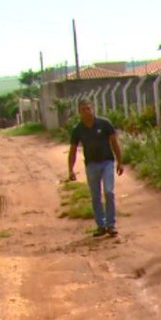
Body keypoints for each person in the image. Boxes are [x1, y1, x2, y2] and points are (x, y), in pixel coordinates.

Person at [68, 98, 124, 237]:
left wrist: (120, 162)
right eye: (83, 109)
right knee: (95, 196)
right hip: (91, 165)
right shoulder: (78, 130)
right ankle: (101, 225)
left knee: (109, 192)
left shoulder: (104, 124)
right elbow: (73, 150)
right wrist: (70, 169)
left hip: (107, 163)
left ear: (93, 109)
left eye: (88, 108)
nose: (87, 112)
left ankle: (111, 225)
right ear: (79, 112)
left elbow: (114, 143)